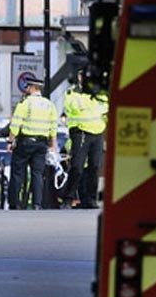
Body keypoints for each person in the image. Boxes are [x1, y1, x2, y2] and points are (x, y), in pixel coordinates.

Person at [7, 78, 58, 210]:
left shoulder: (25, 103)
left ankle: (15, 202)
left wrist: (10, 141)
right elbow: (53, 127)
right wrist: (53, 145)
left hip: (26, 142)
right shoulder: (49, 104)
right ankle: (37, 203)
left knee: (18, 172)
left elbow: (16, 123)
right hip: (42, 144)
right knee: (37, 174)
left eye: (27, 86)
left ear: (32, 88)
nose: (26, 89)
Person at [61, 75, 107, 209]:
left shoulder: (99, 93)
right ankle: (68, 199)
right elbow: (73, 108)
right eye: (82, 75)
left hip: (98, 132)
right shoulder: (72, 92)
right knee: (77, 167)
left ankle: (91, 200)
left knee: (95, 167)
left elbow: (106, 107)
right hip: (81, 132)